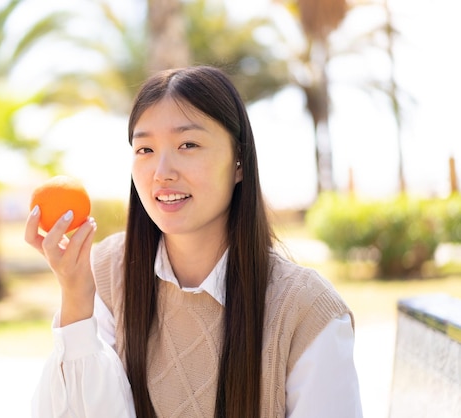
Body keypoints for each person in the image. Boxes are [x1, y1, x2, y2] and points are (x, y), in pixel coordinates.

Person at [24, 65, 363, 418]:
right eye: (145, 150)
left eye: (188, 144)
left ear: (238, 163)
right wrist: (77, 299)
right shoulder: (107, 273)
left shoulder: (306, 311)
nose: (162, 172)